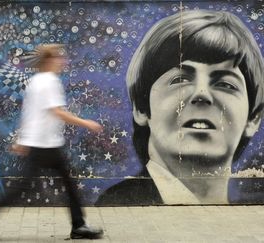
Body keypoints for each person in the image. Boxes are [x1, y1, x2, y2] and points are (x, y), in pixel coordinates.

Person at [96, 10, 264, 205]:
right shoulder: (118, 202)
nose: (202, 93)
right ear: (141, 108)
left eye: (226, 84)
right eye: (181, 79)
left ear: (253, 118)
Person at [0, 44, 104, 240]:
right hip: (45, 146)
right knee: (30, 187)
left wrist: (22, 139)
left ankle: (79, 225)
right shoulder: (49, 81)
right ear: (49, 61)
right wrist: (86, 123)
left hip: (43, 144)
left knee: (66, 184)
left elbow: (29, 113)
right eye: (59, 58)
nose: (62, 61)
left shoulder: (35, 81)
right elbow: (57, 112)